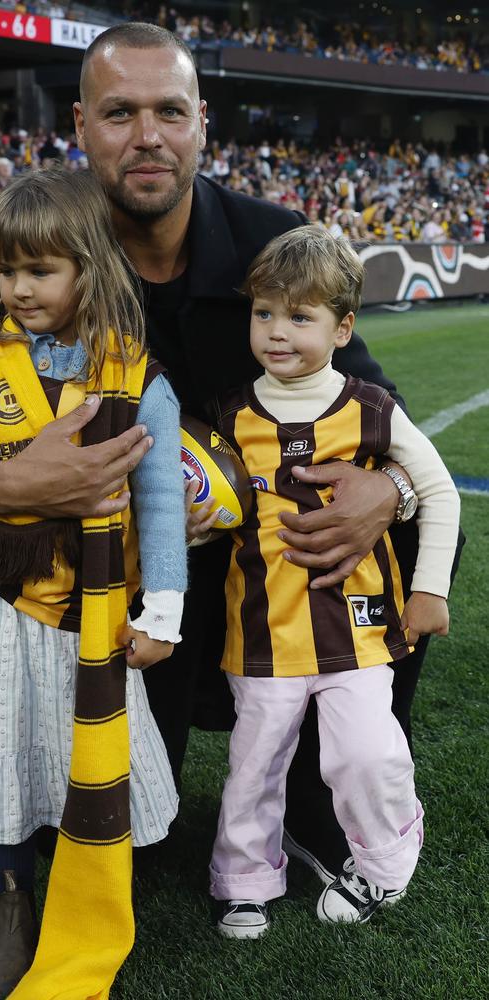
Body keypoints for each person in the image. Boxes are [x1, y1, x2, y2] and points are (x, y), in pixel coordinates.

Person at [0, 23, 447, 900]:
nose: (148, 135)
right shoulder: (17, 257)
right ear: (81, 126)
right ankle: (51, 811)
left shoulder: (276, 245)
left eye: (169, 110)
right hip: (105, 580)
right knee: (130, 846)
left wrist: (385, 492)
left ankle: (322, 794)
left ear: (203, 122)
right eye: (120, 113)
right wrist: (9, 481)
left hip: (264, 565)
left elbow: (389, 422)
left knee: (420, 524)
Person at [0, 169, 187, 998]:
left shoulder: (136, 377)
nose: (18, 289)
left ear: (89, 266)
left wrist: (162, 609)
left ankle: (80, 885)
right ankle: (12, 897)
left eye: (40, 270)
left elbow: (161, 504)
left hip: (89, 611)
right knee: (0, 745)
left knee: (76, 748)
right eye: (7, 270)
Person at [205, 226, 459, 936]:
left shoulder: (370, 407)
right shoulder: (228, 416)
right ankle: (246, 877)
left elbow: (438, 489)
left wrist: (430, 589)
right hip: (262, 631)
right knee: (255, 762)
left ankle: (383, 863)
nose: (277, 332)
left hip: (359, 626)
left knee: (366, 752)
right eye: (264, 313)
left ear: (343, 327)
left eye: (300, 315)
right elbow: (200, 504)